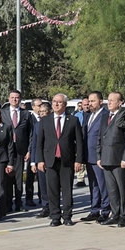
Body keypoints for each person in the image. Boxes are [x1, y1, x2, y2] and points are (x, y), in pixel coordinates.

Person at [35, 94, 85, 227]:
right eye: (54, 102)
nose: (56, 104)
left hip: (67, 160)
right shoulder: (45, 121)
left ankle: (67, 216)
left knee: (67, 189)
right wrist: (39, 160)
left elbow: (79, 142)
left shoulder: (73, 120)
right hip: (50, 160)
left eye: (59, 102)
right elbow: (39, 143)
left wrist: (78, 160)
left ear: (65, 105)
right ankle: (55, 216)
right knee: (52, 190)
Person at [96, 91, 125, 227]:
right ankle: (115, 214)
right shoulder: (105, 117)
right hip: (106, 158)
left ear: (120, 102)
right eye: (108, 100)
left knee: (122, 189)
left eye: (112, 100)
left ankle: (123, 216)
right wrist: (99, 156)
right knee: (111, 189)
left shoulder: (124, 117)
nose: (109, 102)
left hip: (118, 158)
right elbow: (100, 137)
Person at [2, 90, 35, 211]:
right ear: (8, 98)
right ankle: (7, 204)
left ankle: (19, 204)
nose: (14, 100)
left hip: (21, 150)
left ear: (20, 99)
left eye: (17, 98)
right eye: (12, 97)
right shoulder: (2, 113)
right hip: (6, 150)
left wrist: (29, 150)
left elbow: (31, 133)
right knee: (7, 178)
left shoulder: (26, 114)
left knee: (19, 178)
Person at [80, 91, 109, 222]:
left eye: (93, 101)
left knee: (102, 184)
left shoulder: (105, 115)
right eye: (89, 101)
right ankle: (94, 209)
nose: (90, 104)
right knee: (93, 185)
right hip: (88, 156)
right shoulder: (88, 116)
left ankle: (106, 210)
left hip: (99, 157)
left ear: (101, 102)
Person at [29, 100, 51, 218]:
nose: (42, 114)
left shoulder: (53, 123)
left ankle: (53, 207)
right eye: (40, 112)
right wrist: (34, 161)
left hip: (52, 159)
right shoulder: (37, 125)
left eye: (44, 111)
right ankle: (45, 207)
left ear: (49, 112)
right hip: (40, 159)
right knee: (42, 185)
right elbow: (34, 144)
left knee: (52, 185)